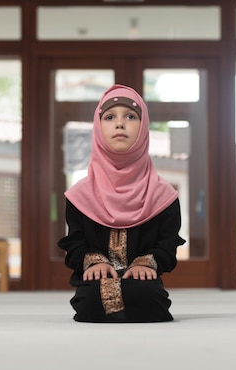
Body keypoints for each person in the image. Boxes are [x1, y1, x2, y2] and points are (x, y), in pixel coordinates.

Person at [58, 84, 186, 323]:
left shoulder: (163, 196)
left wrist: (147, 263)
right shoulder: (80, 195)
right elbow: (75, 242)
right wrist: (93, 261)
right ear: (98, 128)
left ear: (144, 126)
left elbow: (167, 245)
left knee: (148, 296)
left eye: (130, 116)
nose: (120, 123)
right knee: (89, 301)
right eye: (109, 117)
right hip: (96, 280)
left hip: (144, 281)